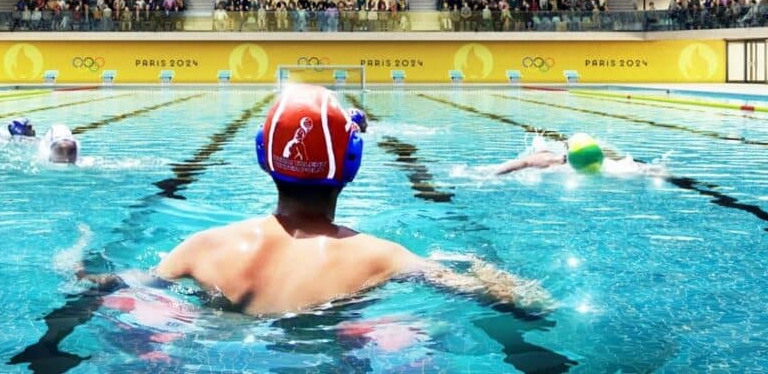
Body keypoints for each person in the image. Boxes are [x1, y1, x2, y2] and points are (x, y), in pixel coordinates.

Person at [152, 84, 542, 315]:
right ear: (351, 165)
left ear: (263, 156)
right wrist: (478, 264)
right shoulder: (383, 258)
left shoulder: (198, 248)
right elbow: (526, 305)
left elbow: (120, 287)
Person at [490, 133, 606, 176]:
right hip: (542, 156)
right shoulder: (548, 159)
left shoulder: (557, 160)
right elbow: (524, 163)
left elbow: (524, 162)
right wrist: (495, 173)